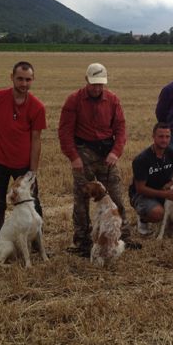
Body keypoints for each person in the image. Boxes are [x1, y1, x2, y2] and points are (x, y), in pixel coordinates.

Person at [58, 62, 138, 257]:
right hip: (83, 151)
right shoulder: (74, 101)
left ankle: (122, 236)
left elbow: (120, 129)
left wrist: (115, 152)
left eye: (100, 84)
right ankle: (83, 241)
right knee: (81, 197)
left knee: (116, 195)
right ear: (86, 81)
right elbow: (65, 131)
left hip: (106, 153)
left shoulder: (112, 100)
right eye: (94, 84)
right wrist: (74, 156)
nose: (97, 88)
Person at [0, 61, 46, 261]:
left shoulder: (37, 107)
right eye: (20, 79)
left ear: (32, 80)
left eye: (28, 79)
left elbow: (36, 140)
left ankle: (36, 247)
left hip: (22, 164)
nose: (24, 83)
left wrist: (32, 171)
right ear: (12, 77)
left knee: (34, 203)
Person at [129, 122, 173, 236]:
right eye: (161, 136)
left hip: (166, 190)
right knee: (158, 213)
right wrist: (166, 194)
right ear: (153, 137)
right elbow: (140, 189)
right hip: (144, 194)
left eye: (167, 137)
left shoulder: (172, 153)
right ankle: (143, 219)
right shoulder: (141, 159)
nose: (164, 140)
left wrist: (171, 183)